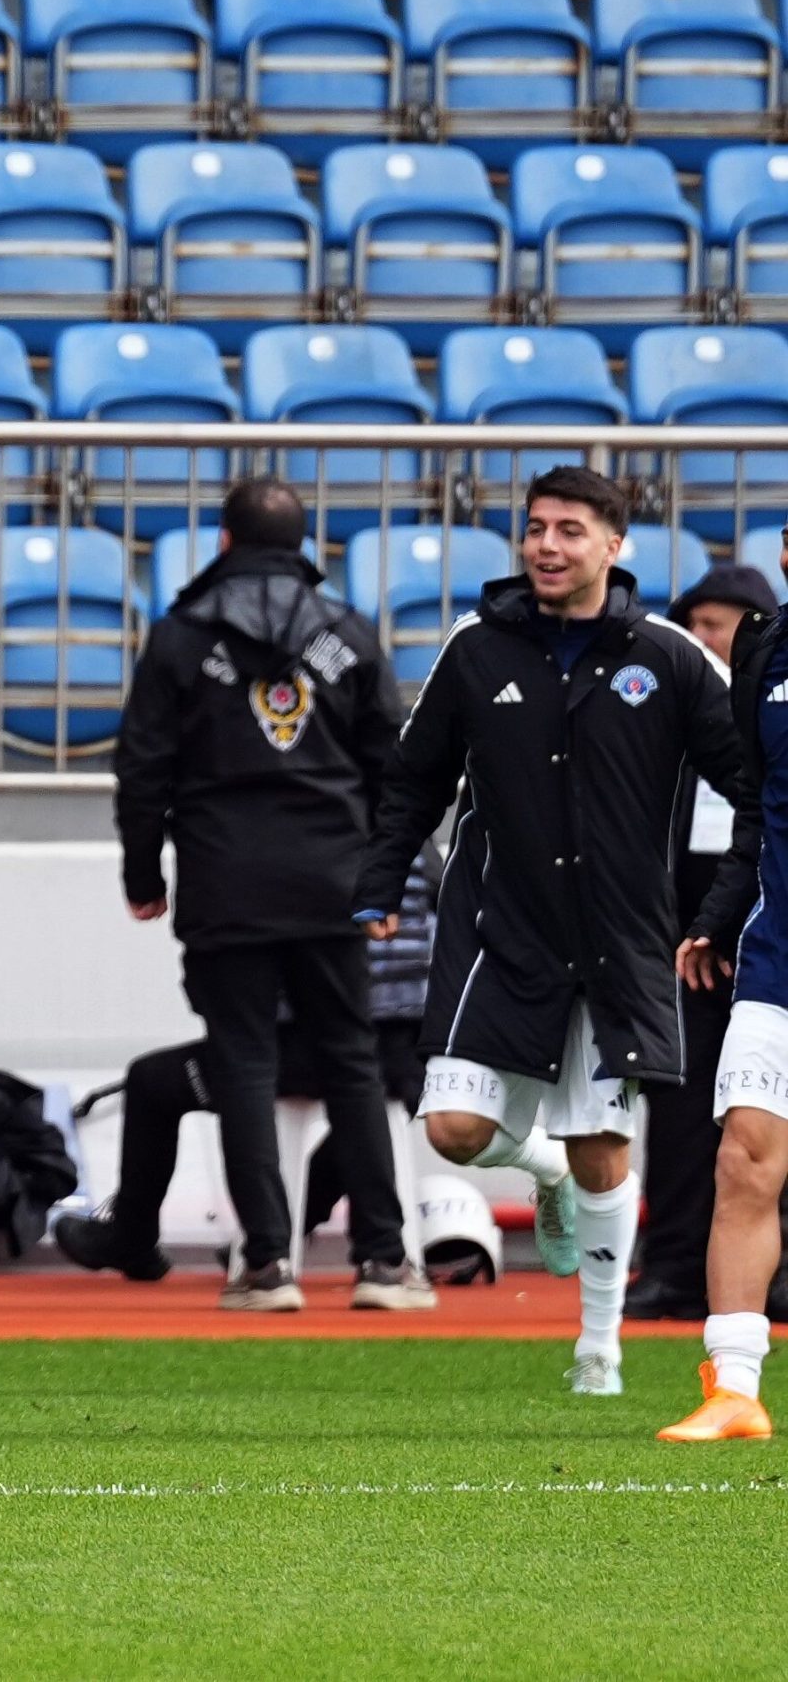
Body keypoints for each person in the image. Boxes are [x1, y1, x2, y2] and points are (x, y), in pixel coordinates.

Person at [356, 465, 752, 1399]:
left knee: (602, 1148)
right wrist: (379, 882)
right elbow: (414, 778)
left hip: (619, 941)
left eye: (570, 530)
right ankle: (543, 1170)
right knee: (455, 1130)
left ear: (615, 546)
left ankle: (599, 1350)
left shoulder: (670, 657)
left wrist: (723, 908)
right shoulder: (474, 646)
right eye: (536, 527)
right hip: (498, 932)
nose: (546, 545)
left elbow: (757, 785)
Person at [111, 478, 424, 1312]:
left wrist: (143, 876)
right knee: (352, 1060)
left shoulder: (181, 636)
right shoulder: (346, 631)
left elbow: (142, 768)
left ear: (224, 541)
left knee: (243, 1062)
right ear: (301, 546)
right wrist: (386, 878)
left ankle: (268, 1265)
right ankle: (384, 1261)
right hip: (333, 879)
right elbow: (393, 768)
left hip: (226, 878)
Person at [59, 845, 440, 1294]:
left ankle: (139, 1238)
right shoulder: (419, 853)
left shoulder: (300, 854)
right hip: (413, 1055)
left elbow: (260, 999)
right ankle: (302, 1227)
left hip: (313, 1049)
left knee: (155, 1081)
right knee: (364, 1110)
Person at [632, 565, 786, 1322]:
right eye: (690, 626)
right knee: (686, 1117)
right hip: (694, 950)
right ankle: (672, 1265)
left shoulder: (765, 698)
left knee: (763, 1130)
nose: (699, 640)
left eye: (714, 626)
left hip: (761, 941)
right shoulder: (668, 727)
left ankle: (778, 1276)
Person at [661, 531, 788, 1441]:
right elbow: (758, 804)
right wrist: (718, 912)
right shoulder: (766, 650)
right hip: (776, 952)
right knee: (744, 1157)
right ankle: (735, 1387)